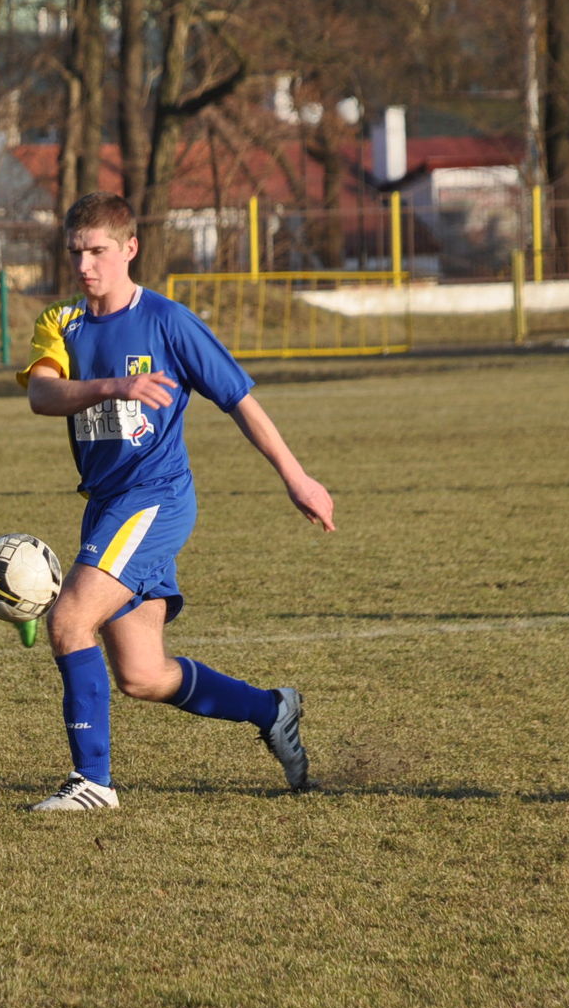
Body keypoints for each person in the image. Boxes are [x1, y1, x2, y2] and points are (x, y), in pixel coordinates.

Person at [18, 192, 336, 813]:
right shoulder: (61, 322)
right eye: (76, 253)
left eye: (99, 252)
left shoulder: (168, 321)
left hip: (155, 499)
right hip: (106, 502)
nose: (86, 265)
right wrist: (116, 384)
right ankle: (271, 708)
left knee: (68, 620)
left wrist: (296, 477)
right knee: (141, 675)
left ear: (130, 248)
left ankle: (93, 783)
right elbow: (41, 395)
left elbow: (240, 399)